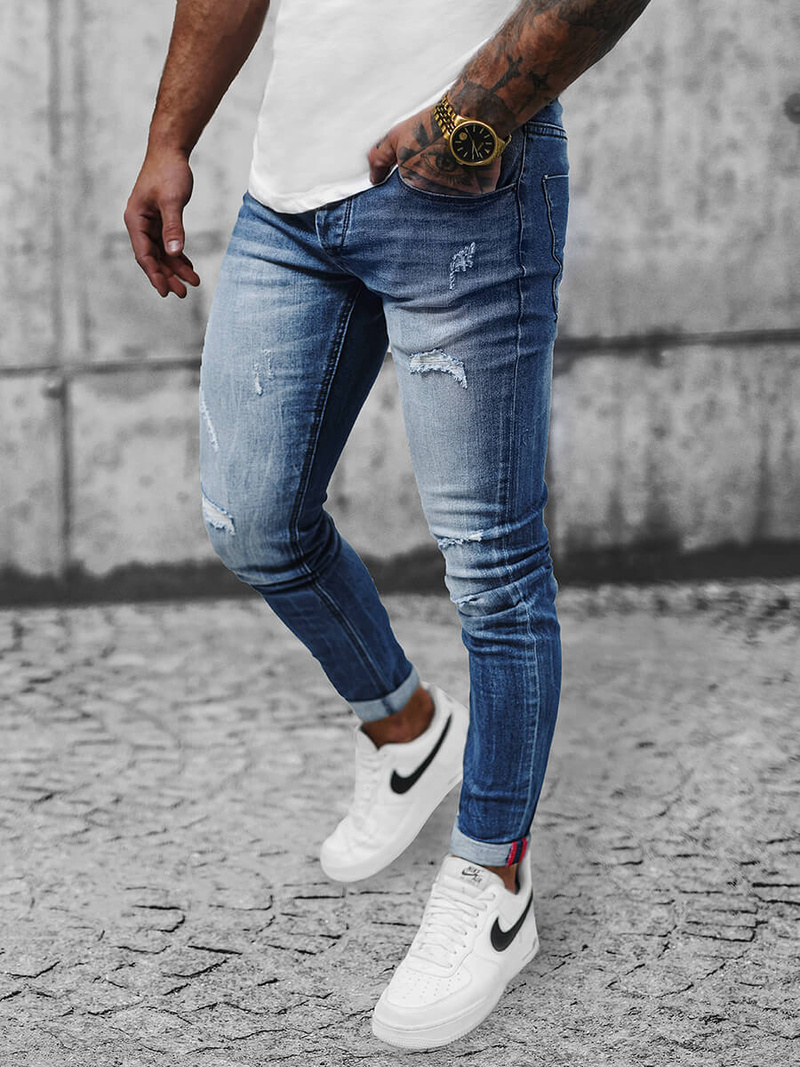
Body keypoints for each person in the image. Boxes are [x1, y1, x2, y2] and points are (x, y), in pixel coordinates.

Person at [125, 0, 652, 1049]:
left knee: (492, 570)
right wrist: (169, 138)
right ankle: (409, 730)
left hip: (471, 180)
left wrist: (469, 121)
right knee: (254, 523)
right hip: (289, 199)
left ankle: (493, 878)